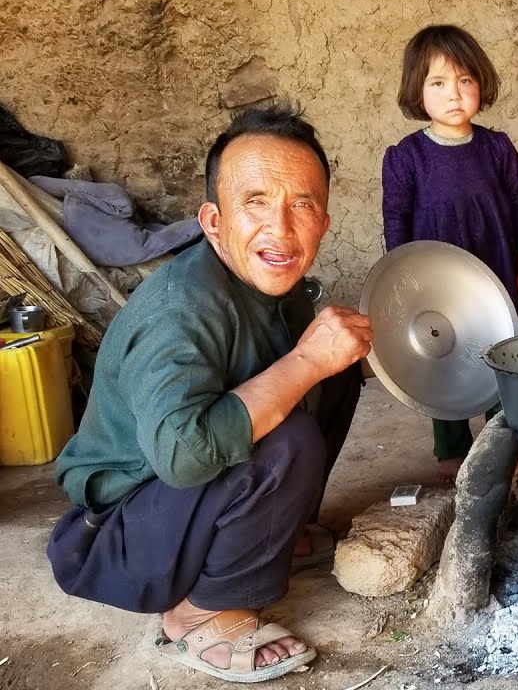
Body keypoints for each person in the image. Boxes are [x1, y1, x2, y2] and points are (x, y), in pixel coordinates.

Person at [45, 103, 371, 682]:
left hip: (177, 510)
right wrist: (304, 361)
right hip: (118, 539)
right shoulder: (182, 308)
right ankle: (199, 611)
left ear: (324, 220)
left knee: (336, 367)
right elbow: (183, 454)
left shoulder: (275, 285)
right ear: (214, 221)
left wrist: (322, 360)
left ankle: (270, 536)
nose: (281, 227)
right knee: (288, 423)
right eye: (255, 202)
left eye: (303, 204)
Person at [381, 24, 518, 480]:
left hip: (497, 272)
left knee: (500, 349)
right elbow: (397, 222)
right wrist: (406, 287)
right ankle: (450, 447)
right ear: (417, 90)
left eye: (465, 80)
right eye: (438, 82)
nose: (454, 94)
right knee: (442, 354)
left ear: (481, 84)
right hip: (437, 284)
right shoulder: (405, 158)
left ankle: (502, 438)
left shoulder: (496, 148)